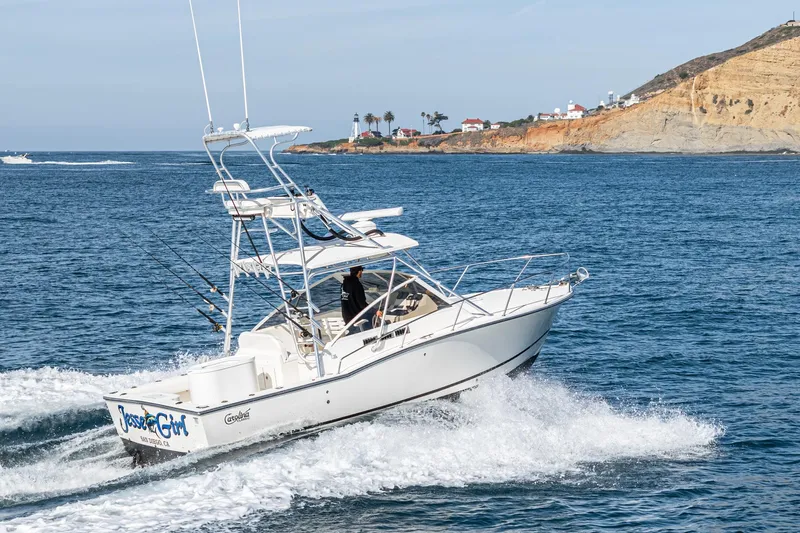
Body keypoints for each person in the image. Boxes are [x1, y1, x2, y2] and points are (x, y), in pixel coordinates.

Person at [341, 265, 381, 333]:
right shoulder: (356, 284)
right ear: (359, 271)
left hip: (347, 318)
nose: (362, 272)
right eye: (361, 271)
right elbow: (362, 304)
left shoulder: (344, 284)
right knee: (373, 316)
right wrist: (375, 311)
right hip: (356, 318)